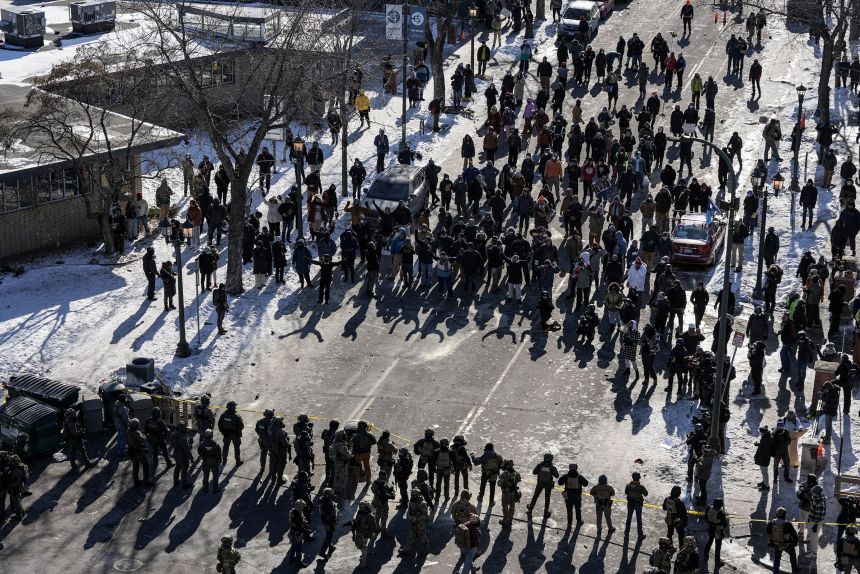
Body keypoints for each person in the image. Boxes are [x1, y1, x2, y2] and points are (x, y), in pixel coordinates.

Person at [767, 507, 799, 574]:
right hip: (787, 544)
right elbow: (794, 534)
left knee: (777, 558)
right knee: (792, 556)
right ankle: (795, 570)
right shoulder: (787, 524)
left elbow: (768, 531)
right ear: (784, 514)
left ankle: (775, 571)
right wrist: (795, 543)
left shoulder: (772, 522)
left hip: (777, 543)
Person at [527, 453, 559, 519]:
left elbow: (534, 472)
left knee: (535, 496)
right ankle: (545, 513)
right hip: (548, 485)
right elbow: (557, 475)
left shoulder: (540, 465)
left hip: (540, 484)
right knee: (547, 499)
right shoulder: (552, 468)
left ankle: (530, 509)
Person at [559, 463, 588, 528]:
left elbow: (559, 482)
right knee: (578, 510)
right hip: (577, 495)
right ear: (576, 468)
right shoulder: (579, 477)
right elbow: (586, 484)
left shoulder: (566, 476)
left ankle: (569, 523)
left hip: (568, 495)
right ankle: (579, 522)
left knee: (569, 510)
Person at [144, 407, 172, 473]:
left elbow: (145, 430)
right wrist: (166, 437)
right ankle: (168, 462)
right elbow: (166, 430)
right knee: (164, 451)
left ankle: (155, 463)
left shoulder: (148, 420)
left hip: (151, 439)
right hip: (160, 438)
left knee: (154, 451)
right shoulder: (160, 421)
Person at [704, 499, 729, 568]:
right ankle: (717, 562)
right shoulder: (721, 513)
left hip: (710, 528)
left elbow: (705, 518)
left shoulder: (709, 509)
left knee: (709, 542)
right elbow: (725, 525)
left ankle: (705, 556)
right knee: (717, 547)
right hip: (718, 530)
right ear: (721, 505)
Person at [126, 418, 152, 487]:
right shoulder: (137, 432)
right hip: (138, 451)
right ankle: (146, 481)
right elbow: (142, 440)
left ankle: (135, 480)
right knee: (145, 464)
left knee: (135, 465)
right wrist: (144, 435)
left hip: (131, 451)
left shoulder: (128, 431)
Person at [351, 501, 378, 566]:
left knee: (363, 547)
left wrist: (368, 535)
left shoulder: (370, 515)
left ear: (366, 507)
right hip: (358, 531)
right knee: (359, 545)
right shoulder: (359, 512)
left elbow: (374, 528)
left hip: (365, 533)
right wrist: (354, 534)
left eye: (362, 507)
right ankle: (364, 556)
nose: (361, 508)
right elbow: (356, 522)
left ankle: (363, 563)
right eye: (360, 507)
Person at [498, 459, 521, 527]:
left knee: (505, 506)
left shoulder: (504, 474)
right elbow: (519, 479)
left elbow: (499, 484)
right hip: (513, 493)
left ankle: (505, 520)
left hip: (505, 493)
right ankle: (510, 519)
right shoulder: (516, 473)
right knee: (512, 506)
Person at [169, 423, 193, 488]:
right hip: (183, 455)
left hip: (176, 454)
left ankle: (175, 481)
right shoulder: (183, 437)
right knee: (184, 469)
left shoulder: (172, 434)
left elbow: (171, 443)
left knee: (177, 467)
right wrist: (190, 457)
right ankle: (184, 484)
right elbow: (187, 449)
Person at [198, 429, 222, 493]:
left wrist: (203, 457)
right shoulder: (216, 445)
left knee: (205, 475)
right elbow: (219, 454)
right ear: (212, 436)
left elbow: (199, 452)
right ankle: (215, 489)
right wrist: (219, 461)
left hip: (206, 461)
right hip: (214, 462)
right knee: (215, 476)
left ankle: (205, 488)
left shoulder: (202, 444)